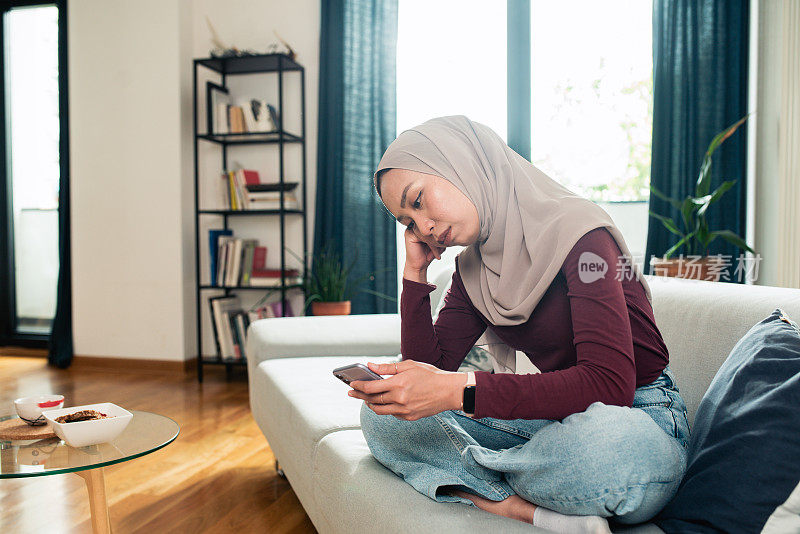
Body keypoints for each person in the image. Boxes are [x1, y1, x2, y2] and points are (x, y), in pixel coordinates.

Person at [348, 116, 690, 533]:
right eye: (408, 223)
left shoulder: (583, 237)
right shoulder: (474, 269)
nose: (424, 228)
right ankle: (521, 508)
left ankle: (475, 477)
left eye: (418, 201)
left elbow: (610, 385)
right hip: (554, 424)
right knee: (383, 418)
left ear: (461, 163)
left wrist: (460, 392)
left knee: (609, 451)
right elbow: (427, 371)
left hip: (634, 415)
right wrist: (414, 275)